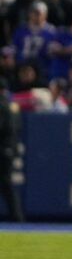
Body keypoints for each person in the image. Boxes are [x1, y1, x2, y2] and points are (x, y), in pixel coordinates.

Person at [0, 78, 23, 222]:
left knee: (7, 185)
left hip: (3, 149)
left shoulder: (2, 105)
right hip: (9, 149)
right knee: (7, 185)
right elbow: (18, 127)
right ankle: (17, 217)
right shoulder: (12, 105)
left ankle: (17, 217)